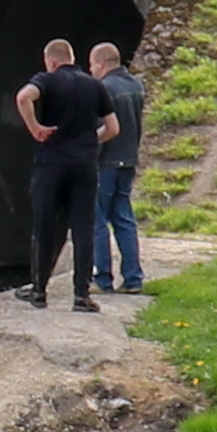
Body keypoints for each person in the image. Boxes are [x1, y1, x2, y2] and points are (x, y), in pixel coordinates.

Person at [15, 36, 105, 308]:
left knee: (44, 227)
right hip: (84, 165)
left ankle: (39, 291)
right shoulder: (94, 85)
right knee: (83, 229)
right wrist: (89, 140)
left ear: (51, 60)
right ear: (72, 58)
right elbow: (113, 127)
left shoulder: (46, 79)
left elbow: (23, 97)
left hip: (51, 164)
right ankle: (81, 295)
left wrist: (35, 127)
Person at [86, 36, 152, 298]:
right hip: (129, 160)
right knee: (124, 219)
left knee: (97, 220)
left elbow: (99, 127)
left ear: (101, 63)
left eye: (92, 64)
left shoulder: (103, 89)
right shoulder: (136, 85)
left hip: (106, 163)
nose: (90, 70)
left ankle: (102, 277)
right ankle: (133, 277)